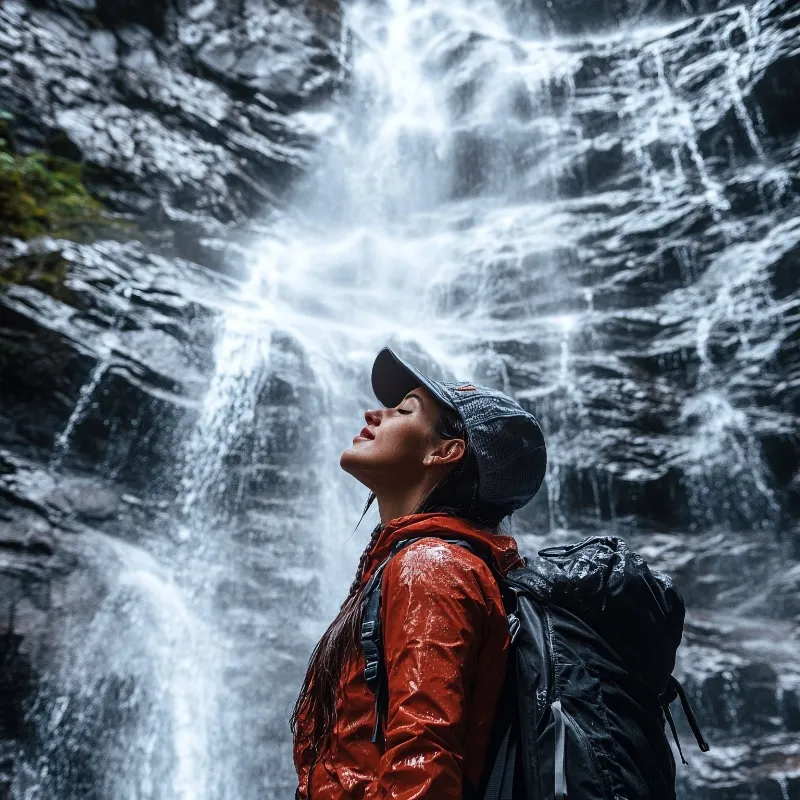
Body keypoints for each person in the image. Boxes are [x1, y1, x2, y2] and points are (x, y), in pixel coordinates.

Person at [291, 346, 547, 800]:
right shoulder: (424, 564)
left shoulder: (429, 567)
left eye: (404, 410)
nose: (374, 414)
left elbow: (423, 763)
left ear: (445, 451)